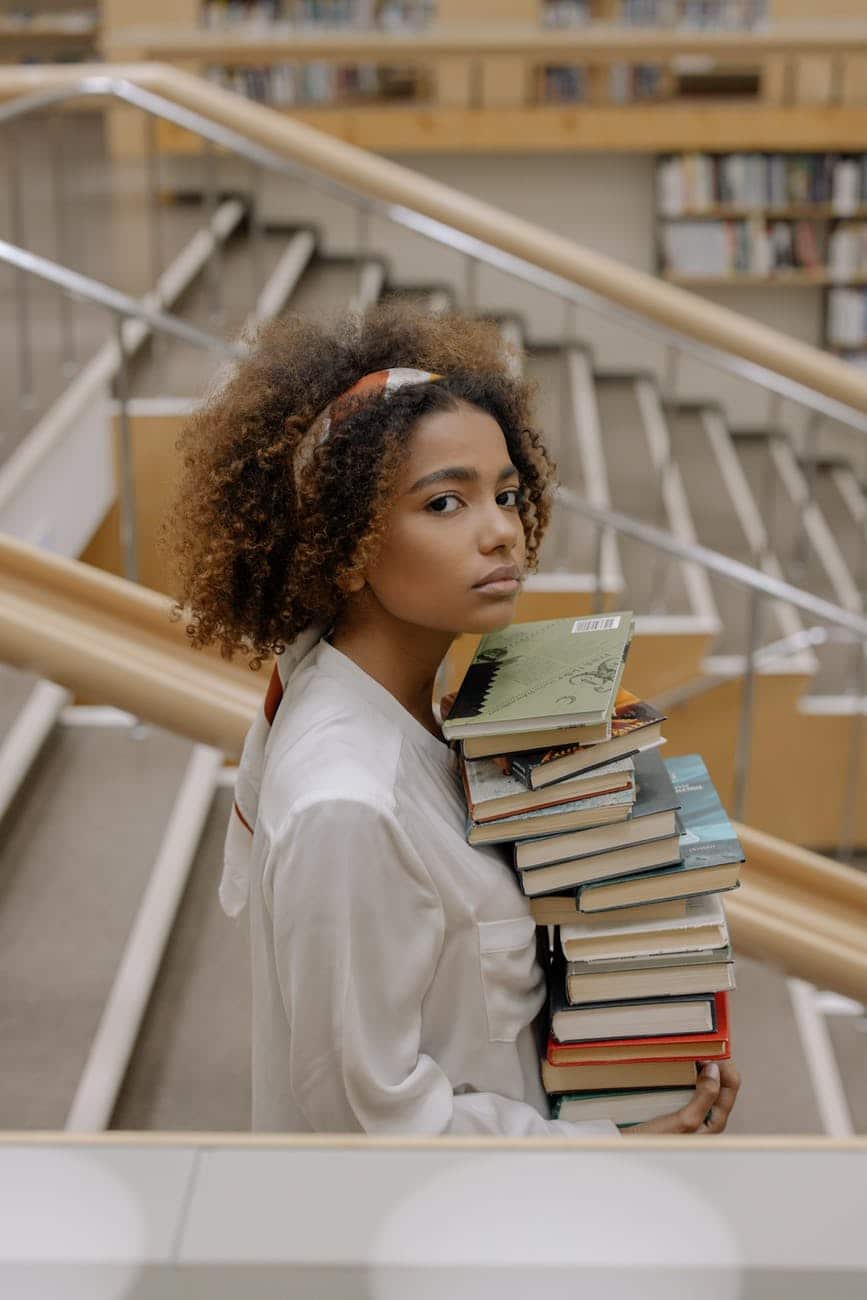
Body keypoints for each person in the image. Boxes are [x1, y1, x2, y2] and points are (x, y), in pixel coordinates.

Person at [166, 302, 740, 1137]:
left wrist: (653, 1045)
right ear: (343, 542)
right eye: (445, 504)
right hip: (435, 1240)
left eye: (505, 494)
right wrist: (608, 1148)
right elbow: (368, 1122)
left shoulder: (424, 707)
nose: (501, 531)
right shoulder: (348, 803)